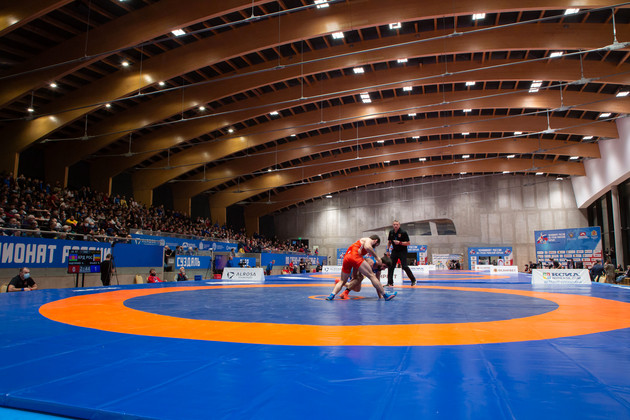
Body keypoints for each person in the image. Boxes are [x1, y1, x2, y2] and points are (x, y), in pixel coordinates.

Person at [326, 235, 396, 301]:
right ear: (375, 240)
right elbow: (368, 247)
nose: (374, 247)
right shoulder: (368, 240)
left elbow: (356, 262)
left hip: (347, 257)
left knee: (343, 281)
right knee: (371, 275)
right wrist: (377, 257)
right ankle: (385, 295)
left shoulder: (361, 246)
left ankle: (332, 295)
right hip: (354, 256)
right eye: (376, 245)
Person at [387, 220, 416, 286]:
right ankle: (390, 282)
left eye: (397, 224)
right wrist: (387, 250)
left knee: (404, 266)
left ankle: (413, 280)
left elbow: (408, 243)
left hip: (402, 251)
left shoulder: (403, 232)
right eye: (394, 224)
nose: (395, 226)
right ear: (392, 225)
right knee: (391, 266)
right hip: (394, 251)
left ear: (399, 225)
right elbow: (389, 242)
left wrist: (400, 243)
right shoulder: (391, 232)